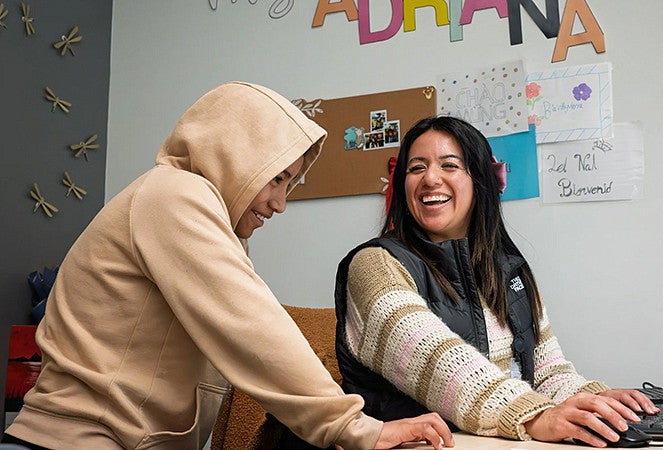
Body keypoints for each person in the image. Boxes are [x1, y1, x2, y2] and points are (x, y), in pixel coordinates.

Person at [2, 82, 453, 450]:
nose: (279, 203)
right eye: (276, 178)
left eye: (291, 185)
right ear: (234, 155)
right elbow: (251, 326)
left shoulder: (201, 214)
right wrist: (355, 428)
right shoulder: (175, 196)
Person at [334, 116, 660, 448]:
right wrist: (535, 416)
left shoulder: (510, 270)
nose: (430, 178)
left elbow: (546, 371)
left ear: (480, 181)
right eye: (416, 168)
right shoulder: (374, 265)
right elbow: (441, 362)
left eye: (449, 165)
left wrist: (599, 401)